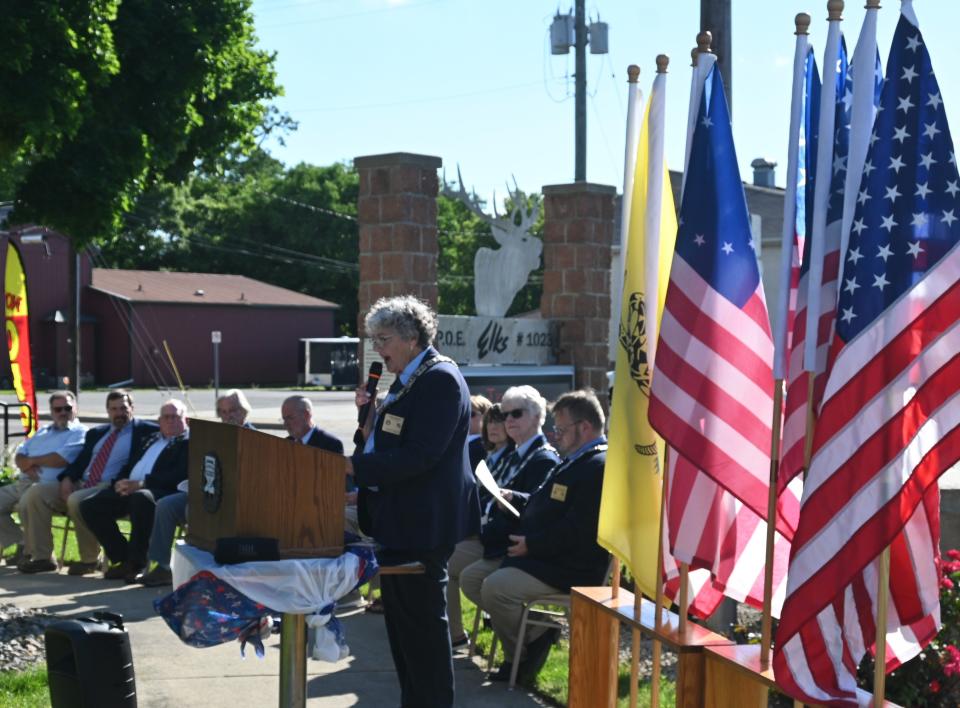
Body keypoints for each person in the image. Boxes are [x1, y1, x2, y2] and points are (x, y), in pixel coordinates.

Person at [346, 295, 480, 708]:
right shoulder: (408, 381)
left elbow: (421, 455)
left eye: (383, 339)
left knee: (422, 631)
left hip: (423, 524)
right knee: (404, 631)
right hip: (398, 520)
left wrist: (353, 471)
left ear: (410, 336)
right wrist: (366, 425)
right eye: (373, 339)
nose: (378, 350)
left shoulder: (439, 379)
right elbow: (386, 443)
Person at [462, 389, 610, 684]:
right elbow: (544, 501)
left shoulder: (597, 466)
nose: (556, 435)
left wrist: (532, 545)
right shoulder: (576, 459)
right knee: (472, 578)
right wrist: (513, 497)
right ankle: (537, 634)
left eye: (562, 429)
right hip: (544, 556)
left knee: (496, 587)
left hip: (569, 566)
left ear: (585, 427)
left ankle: (518, 658)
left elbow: (577, 529)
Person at [18, 390, 157, 575]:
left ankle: (89, 560)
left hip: (108, 486)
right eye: (114, 409)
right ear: (107, 411)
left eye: (123, 408)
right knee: (36, 493)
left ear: (132, 408)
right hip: (81, 482)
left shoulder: (146, 431)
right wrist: (67, 478)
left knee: (76, 500)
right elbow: (80, 462)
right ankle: (42, 558)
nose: (119, 413)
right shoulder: (97, 433)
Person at [134, 390, 254, 587]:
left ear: (244, 412)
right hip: (205, 492)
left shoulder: (254, 437)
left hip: (235, 500)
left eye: (232, 410)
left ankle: (203, 570)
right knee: (166, 505)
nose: (228, 416)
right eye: (223, 412)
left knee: (195, 511)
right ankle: (163, 566)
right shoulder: (214, 436)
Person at [80, 400, 190, 582]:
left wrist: (141, 483)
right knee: (90, 506)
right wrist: (120, 482)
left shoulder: (187, 443)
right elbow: (129, 464)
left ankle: (137, 563)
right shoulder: (150, 439)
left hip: (160, 492)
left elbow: (178, 475)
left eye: (175, 417)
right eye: (166, 417)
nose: (170, 421)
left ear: (185, 419)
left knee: (141, 498)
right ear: (159, 420)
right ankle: (124, 558)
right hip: (130, 488)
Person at [446, 403, 515, 648]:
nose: (494, 427)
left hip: (496, 540)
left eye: (499, 422)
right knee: (439, 556)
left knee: (447, 563)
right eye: (490, 422)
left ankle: (454, 635)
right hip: (477, 533)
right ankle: (453, 633)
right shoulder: (486, 454)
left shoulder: (512, 458)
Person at [0, 392, 87, 566]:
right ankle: (23, 543)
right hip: (24, 483)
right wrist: (27, 462)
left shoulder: (80, 432)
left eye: (67, 408)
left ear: (75, 409)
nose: (63, 412)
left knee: (30, 498)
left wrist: (31, 461)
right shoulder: (43, 431)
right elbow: (20, 455)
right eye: (58, 409)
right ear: (51, 411)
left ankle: (38, 556)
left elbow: (60, 459)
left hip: (53, 487)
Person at [467, 395, 492, 471]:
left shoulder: (485, 446)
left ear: (486, 417)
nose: (466, 417)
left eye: (471, 414)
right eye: (464, 413)